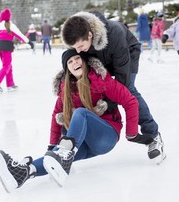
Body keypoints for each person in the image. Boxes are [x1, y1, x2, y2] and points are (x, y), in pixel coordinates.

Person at [0, 50, 153, 191]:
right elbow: (55, 120)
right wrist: (52, 149)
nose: (75, 62)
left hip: (106, 136)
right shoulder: (65, 91)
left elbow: (130, 101)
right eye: (70, 61)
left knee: (80, 114)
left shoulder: (101, 79)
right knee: (55, 155)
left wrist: (132, 133)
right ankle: (23, 173)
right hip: (81, 144)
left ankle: (64, 157)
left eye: (77, 59)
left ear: (84, 61)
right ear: (67, 69)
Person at [61, 11, 166, 164]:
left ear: (89, 35)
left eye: (80, 46)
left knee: (128, 90)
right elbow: (76, 64)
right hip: (100, 57)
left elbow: (122, 80)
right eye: (74, 47)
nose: (78, 51)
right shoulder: (80, 39)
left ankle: (153, 135)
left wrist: (109, 104)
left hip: (126, 53)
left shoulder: (115, 34)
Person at [0, 8, 28, 93]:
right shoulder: (11, 25)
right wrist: (28, 41)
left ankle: (10, 85)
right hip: (6, 47)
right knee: (6, 66)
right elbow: (20, 35)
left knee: (8, 65)